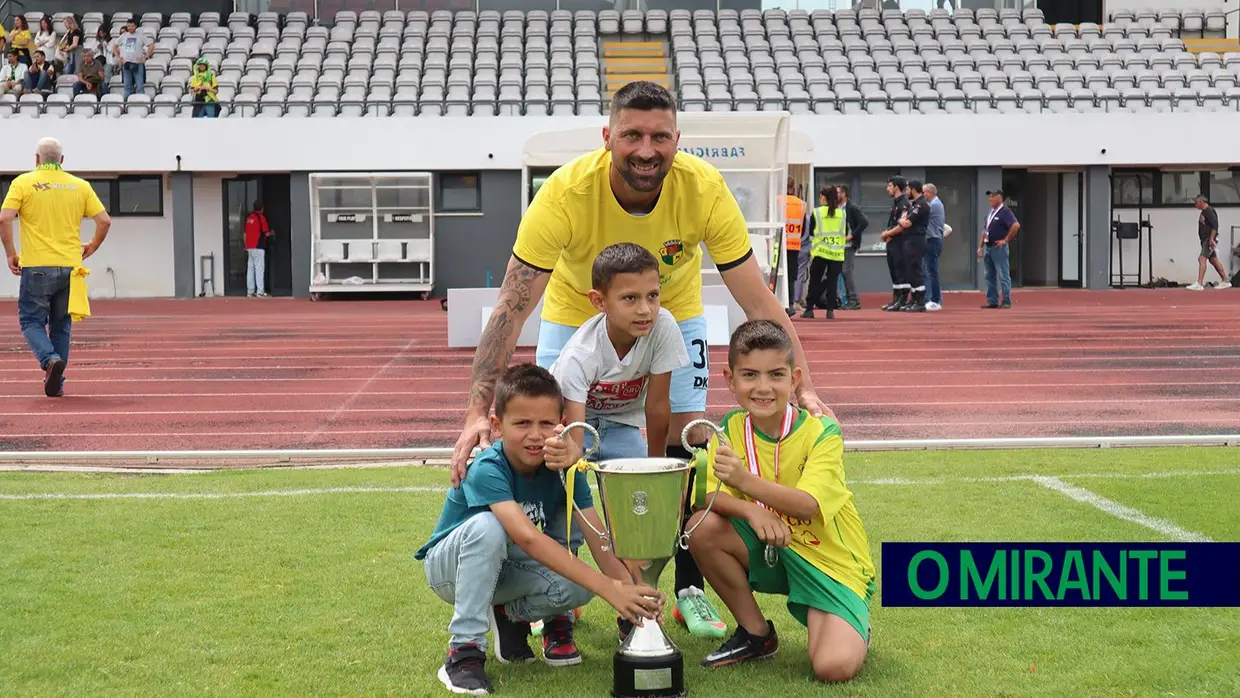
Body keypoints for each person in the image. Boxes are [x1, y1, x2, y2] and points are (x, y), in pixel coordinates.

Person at [450, 80, 831, 640]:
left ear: (677, 140)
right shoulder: (563, 193)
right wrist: (475, 411)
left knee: (682, 444)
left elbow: (757, 299)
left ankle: (685, 590)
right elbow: (511, 304)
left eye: (659, 136)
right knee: (550, 442)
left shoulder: (703, 188)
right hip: (577, 313)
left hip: (671, 312)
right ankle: (555, 595)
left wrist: (805, 384)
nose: (646, 149)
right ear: (609, 137)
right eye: (632, 135)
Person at [417, 364, 664, 695]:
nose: (535, 435)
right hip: (451, 571)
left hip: (506, 568)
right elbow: (529, 539)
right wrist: (610, 587)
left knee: (580, 587)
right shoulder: (489, 467)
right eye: (522, 423)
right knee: (488, 527)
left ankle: (508, 615)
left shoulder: (564, 469)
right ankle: (463, 653)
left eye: (546, 423)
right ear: (497, 425)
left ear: (560, 425)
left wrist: (631, 594)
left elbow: (597, 536)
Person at [685, 320, 874, 682]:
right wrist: (748, 509)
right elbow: (708, 495)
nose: (763, 387)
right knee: (701, 527)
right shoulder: (729, 429)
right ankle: (757, 635)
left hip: (827, 561)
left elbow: (807, 505)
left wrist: (744, 482)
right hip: (771, 548)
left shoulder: (822, 432)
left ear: (795, 378)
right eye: (750, 375)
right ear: (730, 379)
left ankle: (854, 624)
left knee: (831, 668)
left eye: (775, 374)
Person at [0, 137, 112, 397]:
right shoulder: (80, 186)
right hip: (71, 269)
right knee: (61, 325)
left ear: (36, 159)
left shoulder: (23, 183)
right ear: (61, 160)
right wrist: (92, 247)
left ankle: (49, 359)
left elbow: (5, 217)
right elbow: (104, 221)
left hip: (36, 266)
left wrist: (10, 253)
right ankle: (57, 384)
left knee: (30, 321)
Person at [801, 186, 847, 320]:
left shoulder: (817, 212)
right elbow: (845, 231)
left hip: (821, 252)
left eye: (820, 196)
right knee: (832, 282)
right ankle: (830, 310)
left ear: (824, 198)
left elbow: (810, 231)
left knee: (814, 281)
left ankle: (809, 310)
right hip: (837, 253)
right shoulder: (842, 213)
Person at [892, 180, 931, 313]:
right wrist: (901, 220)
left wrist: (901, 220)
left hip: (916, 240)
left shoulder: (921, 205)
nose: (906, 192)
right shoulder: (914, 205)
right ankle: (914, 299)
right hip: (909, 240)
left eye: (908, 189)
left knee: (916, 270)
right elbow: (903, 220)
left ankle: (920, 301)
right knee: (910, 271)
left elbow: (907, 223)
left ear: (913, 190)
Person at [978, 189, 1019, 308]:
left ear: (1000, 197)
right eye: (989, 197)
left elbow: (1016, 225)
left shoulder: (1005, 211)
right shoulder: (990, 212)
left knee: (1003, 274)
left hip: (998, 247)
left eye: (993, 196)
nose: (990, 199)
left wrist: (1005, 240)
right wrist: (980, 246)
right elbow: (985, 230)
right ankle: (992, 301)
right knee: (989, 275)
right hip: (988, 247)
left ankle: (1006, 300)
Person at [878, 176, 911, 311]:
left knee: (900, 271)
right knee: (894, 271)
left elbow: (902, 226)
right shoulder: (896, 203)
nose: (888, 189)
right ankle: (896, 299)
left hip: (900, 244)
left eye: (890, 186)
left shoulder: (904, 203)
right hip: (892, 243)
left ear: (896, 187)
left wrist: (887, 234)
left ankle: (902, 299)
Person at [1187, 195, 1231, 290]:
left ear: (1202, 202)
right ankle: (1226, 280)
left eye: (1196, 202)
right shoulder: (1204, 212)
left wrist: (1211, 239)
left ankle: (1199, 283)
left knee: (1202, 259)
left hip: (1209, 239)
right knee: (1213, 260)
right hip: (1205, 239)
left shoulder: (1209, 211)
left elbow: (1215, 226)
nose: (1195, 205)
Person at [838, 185, 868, 310]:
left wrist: (852, 235)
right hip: (840, 245)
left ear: (844, 193)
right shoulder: (837, 208)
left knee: (847, 271)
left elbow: (864, 222)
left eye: (838, 192)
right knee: (843, 272)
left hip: (849, 245)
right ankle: (849, 299)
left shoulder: (852, 208)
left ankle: (854, 300)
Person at [782, 177, 807, 316]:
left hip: (778, 245)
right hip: (794, 245)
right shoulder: (802, 204)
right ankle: (790, 304)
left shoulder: (776, 200)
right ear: (793, 188)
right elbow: (803, 229)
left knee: (776, 275)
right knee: (791, 277)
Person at [922, 183, 946, 311]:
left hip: (933, 240)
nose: (923, 195)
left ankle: (935, 300)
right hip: (932, 240)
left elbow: (921, 214)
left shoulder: (934, 205)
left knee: (932, 272)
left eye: (924, 192)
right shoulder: (935, 204)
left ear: (930, 192)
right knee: (929, 271)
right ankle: (930, 298)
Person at [244, 201, 273, 297]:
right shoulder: (261, 218)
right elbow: (266, 233)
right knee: (259, 268)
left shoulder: (249, 218)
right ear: (261, 208)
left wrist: (246, 246)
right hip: (258, 246)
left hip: (249, 247)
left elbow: (245, 233)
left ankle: (250, 291)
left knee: (250, 269)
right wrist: (272, 233)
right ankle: (260, 291)